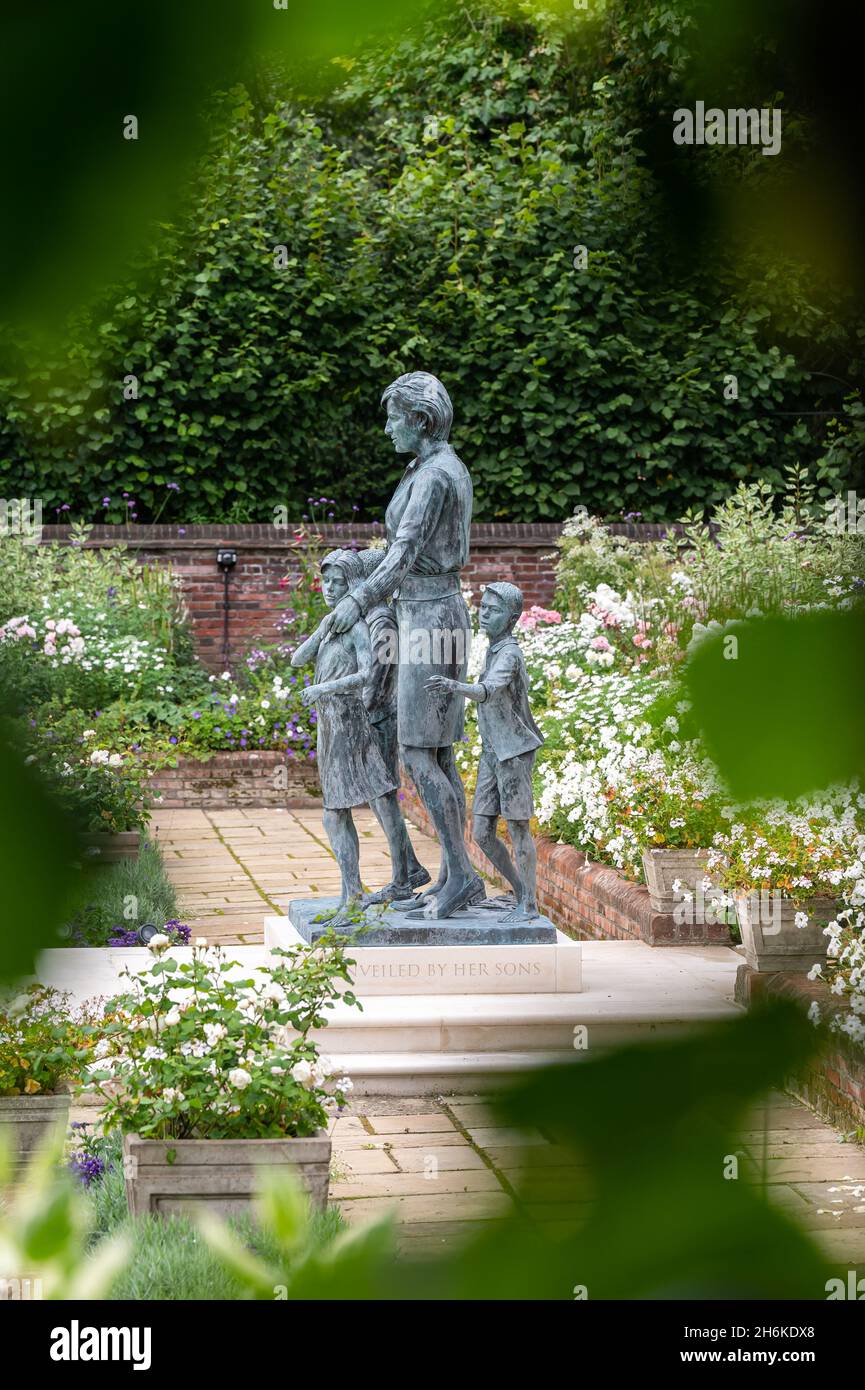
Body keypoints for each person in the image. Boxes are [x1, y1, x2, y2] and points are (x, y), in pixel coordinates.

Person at [324, 372, 483, 919]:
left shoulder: (437, 474)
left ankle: (460, 873)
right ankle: (456, 875)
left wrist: (356, 599)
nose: (388, 428)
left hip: (429, 618)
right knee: (437, 751)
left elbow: (406, 553)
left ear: (420, 419)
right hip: (427, 610)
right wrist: (361, 565)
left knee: (420, 751)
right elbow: (397, 550)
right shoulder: (427, 468)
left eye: (394, 417)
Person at [291, 549, 405, 926]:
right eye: (326, 581)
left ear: (353, 585)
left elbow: (369, 676)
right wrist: (321, 629)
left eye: (338, 582)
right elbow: (297, 659)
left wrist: (325, 689)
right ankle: (350, 894)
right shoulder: (332, 622)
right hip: (330, 726)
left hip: (348, 722)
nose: (329, 588)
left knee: (335, 812)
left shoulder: (358, 626)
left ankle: (354, 896)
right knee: (336, 812)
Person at [426, 582, 544, 921]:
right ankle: (520, 892)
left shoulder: (509, 653)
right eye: (483, 607)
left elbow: (489, 690)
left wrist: (454, 687)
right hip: (493, 753)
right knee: (480, 832)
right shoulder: (494, 649)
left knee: (518, 827)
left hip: (514, 753)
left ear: (511, 618)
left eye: (492, 610)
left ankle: (529, 906)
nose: (483, 613)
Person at [355, 546, 430, 903]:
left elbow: (376, 676)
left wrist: (360, 710)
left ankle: (404, 877)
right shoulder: (374, 617)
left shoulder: (382, 620)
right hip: (376, 716)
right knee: (379, 799)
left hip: (380, 719)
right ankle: (409, 866)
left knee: (384, 798)